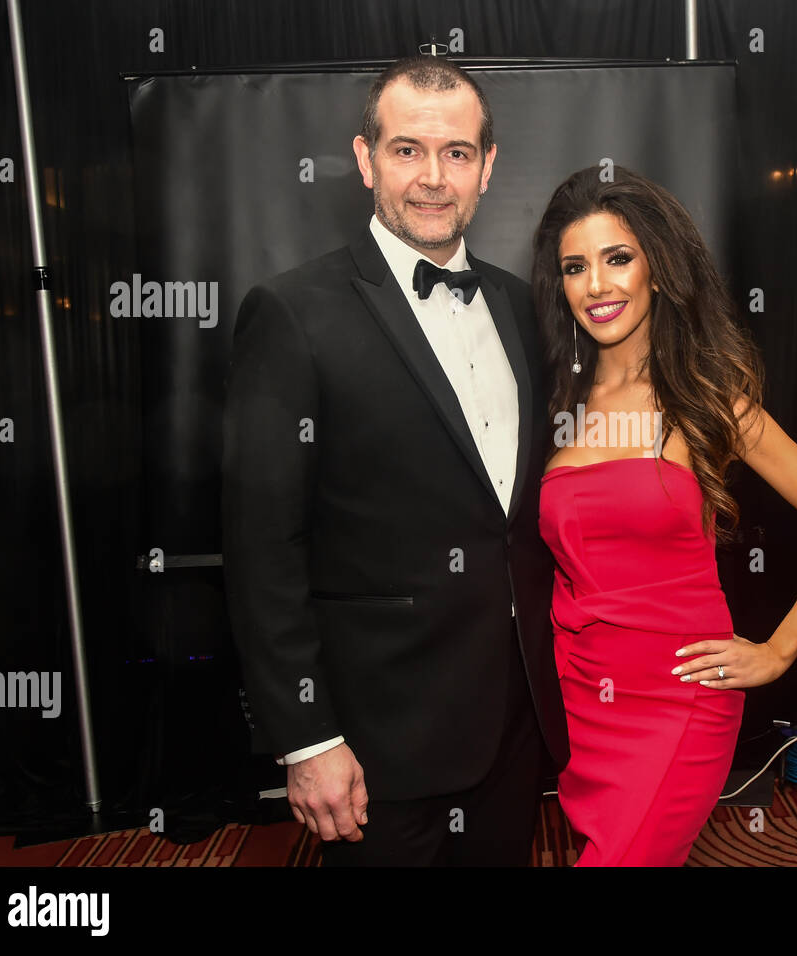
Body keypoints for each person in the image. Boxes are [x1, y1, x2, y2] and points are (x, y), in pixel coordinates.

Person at [221, 55, 568, 866]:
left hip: (516, 722)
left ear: (488, 167)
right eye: (408, 150)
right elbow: (262, 547)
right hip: (379, 742)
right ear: (366, 158)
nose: (433, 178)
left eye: (456, 153)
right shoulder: (291, 314)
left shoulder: (520, 305)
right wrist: (307, 737)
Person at [532, 166, 797, 866]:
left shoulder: (704, 398)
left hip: (680, 699)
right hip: (582, 693)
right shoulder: (553, 402)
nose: (597, 285)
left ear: (657, 271)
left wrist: (777, 651)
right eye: (576, 267)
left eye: (618, 258)